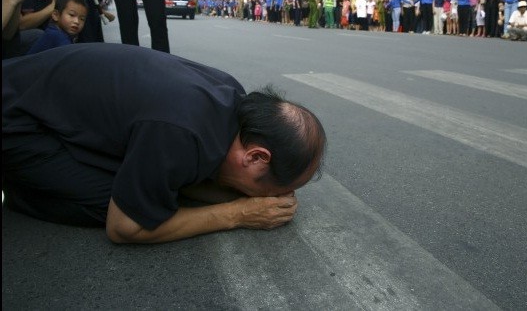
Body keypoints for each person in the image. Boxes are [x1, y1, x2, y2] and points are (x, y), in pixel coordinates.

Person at [2, 43, 327, 244]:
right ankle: (20, 189)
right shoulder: (181, 131)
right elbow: (124, 228)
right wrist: (238, 213)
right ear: (256, 157)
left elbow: (194, 175)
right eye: (277, 190)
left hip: (36, 92)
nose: (281, 197)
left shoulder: (230, 98)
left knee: (152, 187)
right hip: (16, 119)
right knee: (124, 203)